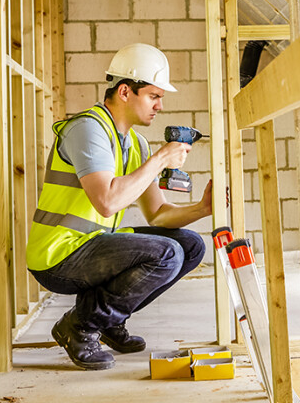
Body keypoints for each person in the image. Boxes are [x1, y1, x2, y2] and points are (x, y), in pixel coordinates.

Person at [26, 43, 212, 371]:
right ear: (125, 91)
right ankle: (81, 326)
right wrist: (160, 161)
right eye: (154, 96)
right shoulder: (88, 129)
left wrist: (203, 208)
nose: (160, 106)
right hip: (58, 256)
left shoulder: (134, 143)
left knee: (190, 246)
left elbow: (158, 213)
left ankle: (110, 320)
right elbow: (107, 201)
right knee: (166, 254)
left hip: (94, 247)